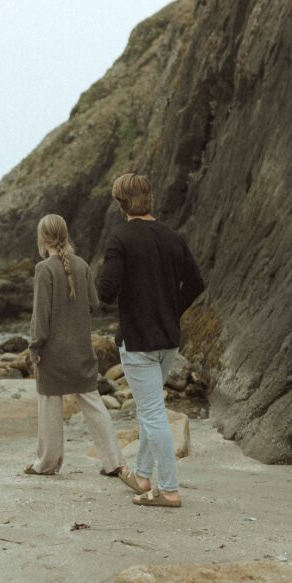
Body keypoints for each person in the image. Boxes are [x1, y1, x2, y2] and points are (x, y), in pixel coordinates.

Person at [98, 173, 204, 508]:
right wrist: (172, 311)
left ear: (120, 203)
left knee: (153, 413)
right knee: (150, 410)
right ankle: (143, 476)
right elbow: (197, 283)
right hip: (168, 339)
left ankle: (169, 489)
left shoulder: (120, 238)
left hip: (139, 341)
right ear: (150, 198)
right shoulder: (172, 236)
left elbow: (105, 293)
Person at [26, 213, 124, 478]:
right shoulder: (82, 266)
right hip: (81, 351)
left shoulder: (44, 269)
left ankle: (46, 464)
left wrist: (35, 346)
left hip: (52, 354)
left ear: (42, 238)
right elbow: (94, 304)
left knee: (49, 407)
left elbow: (41, 315)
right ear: (65, 235)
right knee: (93, 405)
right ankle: (113, 461)